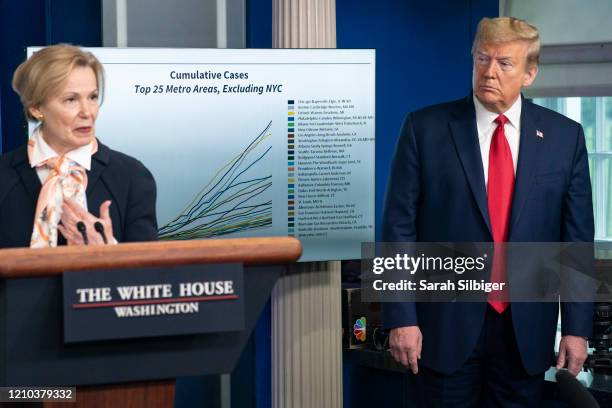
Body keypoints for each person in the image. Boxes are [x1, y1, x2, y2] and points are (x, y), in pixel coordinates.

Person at [381, 17, 593, 407]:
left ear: (530, 73)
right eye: (482, 59)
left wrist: (578, 328)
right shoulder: (424, 129)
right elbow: (397, 231)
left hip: (524, 331)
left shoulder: (565, 137)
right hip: (442, 328)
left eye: (504, 64)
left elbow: (576, 241)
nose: (489, 72)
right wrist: (400, 316)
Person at [0, 44, 157, 248]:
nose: (87, 112)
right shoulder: (4, 176)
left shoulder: (132, 176)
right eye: (71, 100)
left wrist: (108, 251)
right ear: (37, 108)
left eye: (92, 97)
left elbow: (150, 275)